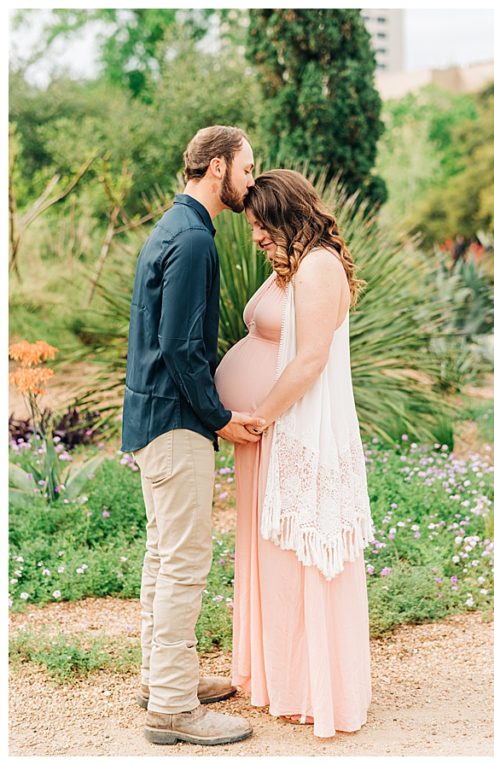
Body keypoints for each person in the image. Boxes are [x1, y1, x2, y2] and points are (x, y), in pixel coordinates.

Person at [214, 168, 374, 738]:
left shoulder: (320, 268)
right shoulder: (295, 266)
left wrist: (259, 417)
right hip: (265, 435)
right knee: (272, 557)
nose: (254, 236)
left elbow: (309, 361)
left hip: (287, 430)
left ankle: (312, 686)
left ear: (285, 215)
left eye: (260, 224)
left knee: (299, 556)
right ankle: (276, 674)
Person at [122, 125, 263, 746]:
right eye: (247, 168)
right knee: (184, 562)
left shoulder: (171, 228)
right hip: (177, 426)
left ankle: (162, 679)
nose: (251, 181)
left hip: (152, 421)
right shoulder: (195, 240)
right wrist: (220, 418)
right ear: (216, 167)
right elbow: (180, 347)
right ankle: (173, 707)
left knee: (163, 555)